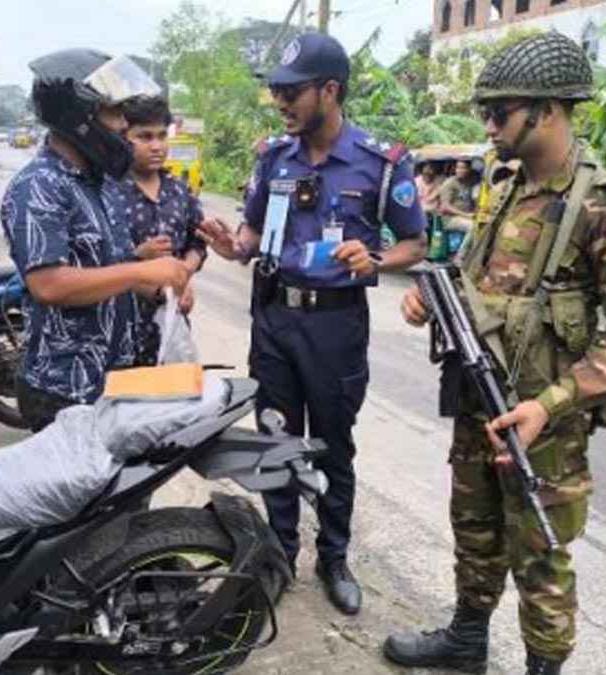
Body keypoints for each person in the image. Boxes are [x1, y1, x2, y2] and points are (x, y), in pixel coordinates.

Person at [383, 32, 606, 675]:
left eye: (498, 112)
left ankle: (542, 668)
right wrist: (436, 298)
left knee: (541, 553)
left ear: (549, 111)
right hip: (481, 396)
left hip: (546, 421)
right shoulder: (502, 184)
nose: (487, 125)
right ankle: (466, 639)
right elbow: (480, 276)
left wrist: (549, 404)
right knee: (474, 527)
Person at [198, 33, 428, 616]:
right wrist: (232, 247)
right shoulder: (273, 157)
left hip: (335, 327)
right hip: (274, 318)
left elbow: (415, 243)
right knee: (275, 438)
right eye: (276, 90)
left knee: (330, 446)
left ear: (330, 90)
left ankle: (334, 556)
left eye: (291, 91)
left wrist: (376, 260)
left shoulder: (380, 162)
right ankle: (278, 553)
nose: (280, 101)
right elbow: (251, 237)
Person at [2, 48, 191, 431]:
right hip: (64, 389)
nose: (123, 125)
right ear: (79, 117)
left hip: (113, 378)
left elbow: (108, 270)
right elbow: (49, 284)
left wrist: (157, 287)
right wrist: (141, 274)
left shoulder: (103, 185)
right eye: (114, 113)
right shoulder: (39, 185)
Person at [114, 95, 207, 365]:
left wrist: (183, 276)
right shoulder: (108, 191)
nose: (156, 146)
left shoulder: (179, 190)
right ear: (123, 137)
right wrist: (137, 255)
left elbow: (198, 243)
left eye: (162, 136)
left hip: (171, 328)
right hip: (121, 332)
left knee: (173, 398)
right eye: (144, 137)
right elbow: (94, 264)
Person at [438, 158, 479, 226]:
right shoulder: (449, 183)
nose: (460, 170)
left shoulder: (470, 182)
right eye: (458, 168)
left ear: (469, 170)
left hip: (467, 216)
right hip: (451, 219)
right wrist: (466, 215)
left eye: (463, 168)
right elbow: (445, 206)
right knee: (473, 226)